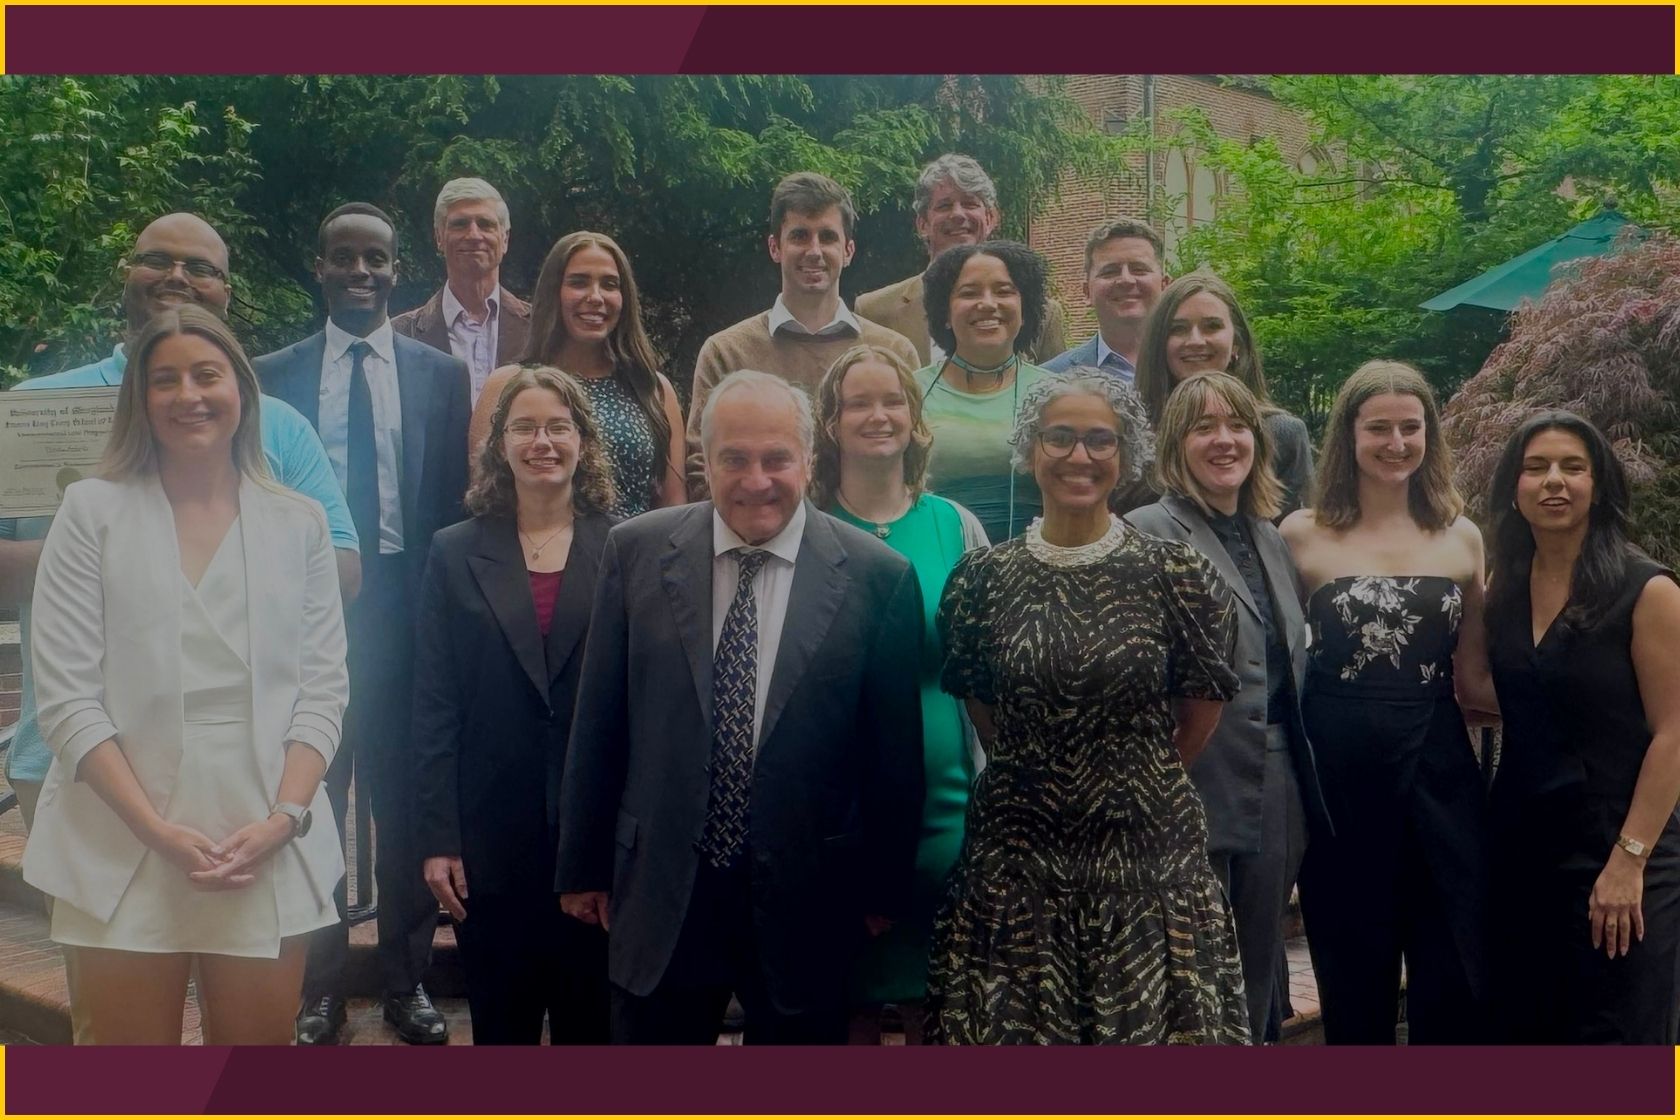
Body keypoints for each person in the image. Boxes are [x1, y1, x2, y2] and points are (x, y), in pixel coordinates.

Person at [0, 213, 359, 1045]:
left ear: (243, 390)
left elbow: (323, 690)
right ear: (140, 399)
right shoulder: (91, 512)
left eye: (207, 375)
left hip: (263, 833)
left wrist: (286, 817)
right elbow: (68, 698)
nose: (188, 395)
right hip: (119, 834)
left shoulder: (298, 521)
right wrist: (154, 829)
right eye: (165, 380)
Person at [556, 369, 925, 1044]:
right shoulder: (636, 551)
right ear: (704, 461)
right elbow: (600, 720)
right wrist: (582, 866)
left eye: (777, 458)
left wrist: (883, 891)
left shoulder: (878, 577)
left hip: (809, 892)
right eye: (735, 459)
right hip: (664, 884)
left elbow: (893, 757)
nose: (757, 481)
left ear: (809, 459)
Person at [928, 369, 1249, 1045]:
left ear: (1125, 456)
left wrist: (1130, 781)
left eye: (1100, 440)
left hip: (1146, 863)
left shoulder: (1175, 574)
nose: (1080, 455)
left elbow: (1200, 711)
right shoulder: (982, 580)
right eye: (1060, 437)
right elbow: (985, 709)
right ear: (1030, 450)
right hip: (1017, 864)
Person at [254, 203, 472, 1046]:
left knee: (406, 802)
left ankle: (404, 980)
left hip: (408, 613)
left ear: (395, 269)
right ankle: (318, 987)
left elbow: (450, 505)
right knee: (313, 797)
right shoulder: (272, 375)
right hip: (308, 614)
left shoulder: (440, 375)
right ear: (318, 266)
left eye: (375, 259)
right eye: (342, 257)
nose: (360, 272)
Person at [1279, 359, 1496, 1045]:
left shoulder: (1461, 534)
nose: (1396, 443)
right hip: (1338, 772)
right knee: (1351, 969)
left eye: (1411, 427)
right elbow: (1276, 663)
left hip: (1440, 770)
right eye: (1379, 428)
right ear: (1349, 435)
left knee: (1451, 964)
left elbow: (1475, 676)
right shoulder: (1300, 533)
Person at [412, 367, 618, 1044]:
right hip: (489, 845)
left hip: (593, 843)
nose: (542, 442)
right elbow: (434, 704)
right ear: (499, 445)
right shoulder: (453, 552)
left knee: (593, 1037)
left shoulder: (628, 549)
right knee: (502, 1033)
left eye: (559, 427)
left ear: (583, 441)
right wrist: (438, 838)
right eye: (525, 427)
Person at [1125, 372, 1332, 1043]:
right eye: (1204, 427)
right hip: (1189, 778)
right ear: (1175, 444)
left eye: (1238, 426)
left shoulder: (1269, 535)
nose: (1224, 440)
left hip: (1277, 777)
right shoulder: (1145, 532)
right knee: (1190, 972)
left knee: (1257, 965)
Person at [1483, 410, 1680, 1043]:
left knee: (1620, 1040)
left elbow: (1674, 733)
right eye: (1536, 467)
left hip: (1622, 850)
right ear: (1514, 488)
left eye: (1573, 467)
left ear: (1599, 485)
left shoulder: (1647, 591)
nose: (1554, 481)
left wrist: (1628, 860)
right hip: (1524, 851)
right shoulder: (1504, 588)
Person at [809, 344, 987, 1043]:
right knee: (846, 998)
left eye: (893, 401)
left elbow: (984, 662)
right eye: (858, 402)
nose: (877, 415)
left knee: (937, 1001)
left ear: (916, 419)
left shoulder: (956, 525)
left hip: (948, 799)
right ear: (830, 423)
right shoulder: (805, 524)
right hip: (840, 803)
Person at [684, 172, 918, 495]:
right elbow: (702, 465)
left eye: (828, 237)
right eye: (800, 236)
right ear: (775, 247)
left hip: (866, 525)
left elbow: (915, 454)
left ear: (848, 250)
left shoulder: (893, 351)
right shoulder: (727, 352)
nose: (814, 251)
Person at [469, 231, 685, 515]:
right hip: (532, 542)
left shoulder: (652, 389)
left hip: (636, 543)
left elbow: (674, 509)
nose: (595, 297)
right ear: (553, 292)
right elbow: (485, 497)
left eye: (609, 284)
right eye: (579, 282)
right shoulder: (507, 385)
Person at [857, 154, 1068, 366]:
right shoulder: (874, 311)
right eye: (944, 206)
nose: (958, 214)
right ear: (922, 224)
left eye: (969, 204)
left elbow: (1057, 386)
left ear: (990, 219)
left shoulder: (1044, 315)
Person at [1132, 271, 1313, 517]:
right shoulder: (1130, 435)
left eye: (1212, 326)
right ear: (1159, 344)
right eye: (1178, 329)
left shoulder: (1283, 434)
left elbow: (1291, 535)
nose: (1195, 340)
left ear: (1236, 343)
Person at [915, 239, 1055, 544]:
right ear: (944, 312)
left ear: (1025, 308)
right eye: (969, 293)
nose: (988, 304)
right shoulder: (909, 393)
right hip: (934, 553)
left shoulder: (1057, 394)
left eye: (1004, 291)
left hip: (1034, 560)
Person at [391, 177, 532, 405]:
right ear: (439, 237)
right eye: (460, 224)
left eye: (485, 224)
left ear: (504, 239)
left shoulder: (540, 328)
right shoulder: (400, 335)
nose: (474, 235)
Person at [1042, 219, 1170, 383]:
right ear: (1087, 291)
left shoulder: (1191, 364)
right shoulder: (1051, 378)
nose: (1126, 280)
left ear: (1165, 286)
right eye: (1110, 272)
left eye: (1139, 269)